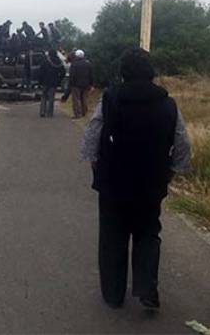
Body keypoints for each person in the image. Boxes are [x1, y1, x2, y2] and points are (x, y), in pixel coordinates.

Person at [81, 47, 191, 311]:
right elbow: (183, 143)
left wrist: (96, 163)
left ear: (123, 72)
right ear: (150, 72)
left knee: (112, 238)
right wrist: (171, 173)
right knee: (148, 234)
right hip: (151, 183)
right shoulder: (168, 104)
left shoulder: (110, 99)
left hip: (113, 182)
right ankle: (146, 289)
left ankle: (114, 294)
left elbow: (93, 132)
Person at [38, 49, 66, 118]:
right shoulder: (59, 62)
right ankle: (50, 113)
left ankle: (42, 112)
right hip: (54, 82)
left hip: (45, 82)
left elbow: (40, 72)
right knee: (51, 98)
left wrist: (40, 81)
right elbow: (63, 72)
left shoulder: (45, 61)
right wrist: (59, 79)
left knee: (44, 96)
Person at [69, 49, 93, 118]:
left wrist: (71, 84)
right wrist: (91, 84)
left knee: (76, 100)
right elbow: (91, 75)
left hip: (76, 85)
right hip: (86, 85)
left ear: (76, 55)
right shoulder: (88, 64)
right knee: (84, 99)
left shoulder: (74, 64)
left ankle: (78, 114)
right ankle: (84, 113)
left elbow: (72, 75)